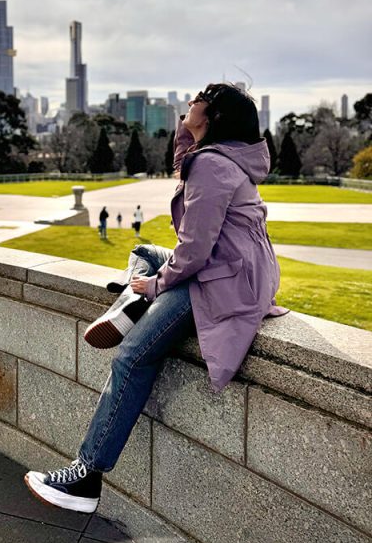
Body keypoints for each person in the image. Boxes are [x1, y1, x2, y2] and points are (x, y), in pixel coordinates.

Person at [24, 83, 289, 514]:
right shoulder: (223, 159)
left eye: (199, 97)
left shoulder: (212, 167)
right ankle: (130, 303)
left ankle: (86, 476)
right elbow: (185, 168)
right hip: (241, 270)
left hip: (219, 279)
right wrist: (187, 132)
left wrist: (159, 285)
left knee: (132, 355)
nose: (189, 101)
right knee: (143, 251)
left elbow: (195, 251)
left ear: (215, 116)